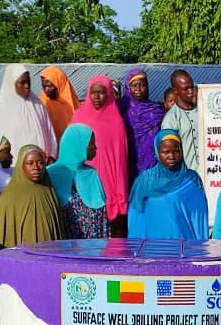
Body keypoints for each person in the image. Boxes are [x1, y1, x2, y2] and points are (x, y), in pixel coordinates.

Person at [70, 77, 129, 235]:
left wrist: (120, 192)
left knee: (106, 231)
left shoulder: (116, 121)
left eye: (102, 92)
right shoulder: (78, 117)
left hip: (107, 181)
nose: (97, 97)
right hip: (82, 182)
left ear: (109, 93)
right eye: (93, 92)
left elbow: (121, 161)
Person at [127, 130, 208, 240]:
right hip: (152, 250)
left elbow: (199, 219)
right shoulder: (146, 180)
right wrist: (136, 249)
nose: (171, 156)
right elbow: (135, 217)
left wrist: (199, 249)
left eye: (176, 151)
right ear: (157, 152)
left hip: (184, 249)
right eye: (165, 152)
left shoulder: (192, 180)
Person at [0, 145, 65, 247]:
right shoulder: (7, 198)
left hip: (49, 254)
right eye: (30, 163)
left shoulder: (48, 191)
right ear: (21, 166)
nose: (36, 167)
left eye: (40, 163)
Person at [46, 123, 108, 239]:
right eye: (91, 144)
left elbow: (102, 218)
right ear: (79, 145)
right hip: (63, 246)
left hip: (91, 247)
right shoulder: (50, 174)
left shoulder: (91, 174)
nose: (95, 148)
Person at [0, 64, 58, 162]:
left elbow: (49, 131)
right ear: (12, 83)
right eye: (22, 83)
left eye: (28, 82)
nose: (27, 86)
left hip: (41, 165)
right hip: (14, 167)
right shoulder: (4, 109)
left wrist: (51, 155)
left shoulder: (37, 104)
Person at [119, 69, 166, 177]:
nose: (139, 89)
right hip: (129, 164)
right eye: (134, 85)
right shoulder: (121, 110)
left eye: (142, 85)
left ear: (147, 86)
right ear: (128, 88)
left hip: (153, 164)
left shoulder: (157, 111)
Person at [161, 70, 200, 172]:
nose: (191, 91)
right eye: (186, 89)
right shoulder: (171, 119)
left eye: (191, 87)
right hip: (187, 176)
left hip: (210, 173)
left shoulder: (204, 111)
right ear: (176, 91)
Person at [38, 67, 80, 140]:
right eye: (44, 86)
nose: (46, 89)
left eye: (50, 86)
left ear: (59, 84)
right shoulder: (41, 103)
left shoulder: (71, 103)